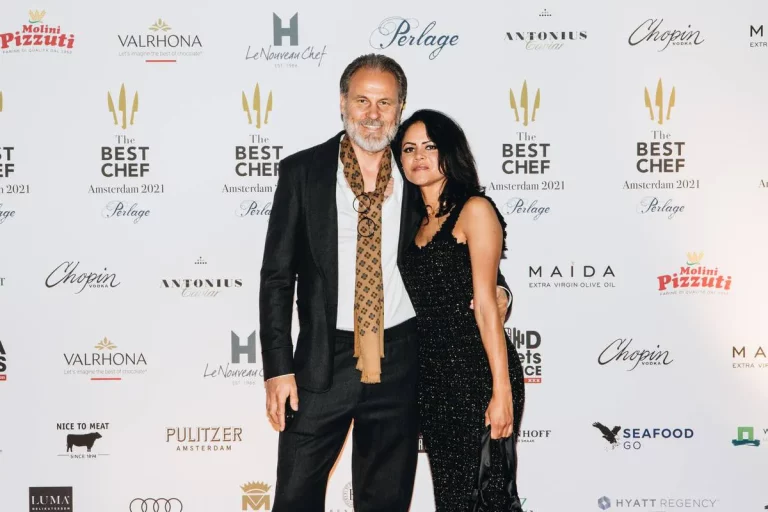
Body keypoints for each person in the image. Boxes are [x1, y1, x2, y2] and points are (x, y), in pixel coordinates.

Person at [258, 54, 513, 512]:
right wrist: (278, 368)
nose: (373, 114)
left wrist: (501, 291)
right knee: (295, 496)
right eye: (362, 101)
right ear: (343, 103)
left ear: (400, 108)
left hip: (401, 361)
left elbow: (457, 240)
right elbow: (276, 277)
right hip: (322, 361)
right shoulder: (303, 173)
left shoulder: (416, 170)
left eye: (385, 102)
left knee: (386, 501)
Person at [393, 109, 526, 511]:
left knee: (487, 496)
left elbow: (486, 304)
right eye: (409, 149)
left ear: (450, 152)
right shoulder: (408, 222)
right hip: (432, 380)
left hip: (477, 371)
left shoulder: (474, 210)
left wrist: (501, 391)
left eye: (430, 146)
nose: (419, 156)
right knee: (451, 499)